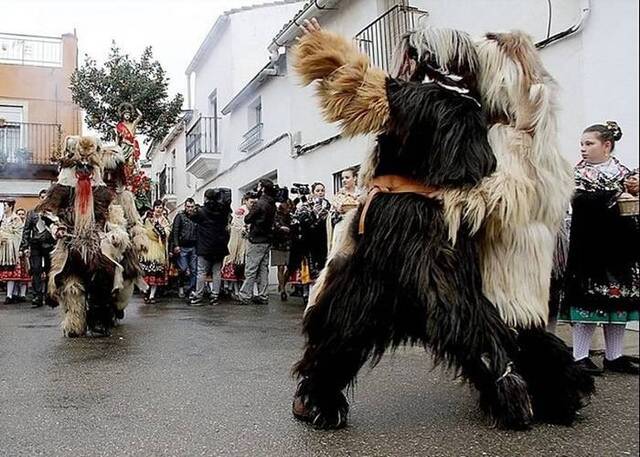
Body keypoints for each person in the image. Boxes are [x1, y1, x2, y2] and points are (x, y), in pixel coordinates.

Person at [289, 18, 591, 431]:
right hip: (437, 230)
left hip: (400, 226)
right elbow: (476, 175)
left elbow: (354, 93)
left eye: (408, 57)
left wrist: (324, 46)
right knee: (460, 315)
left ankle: (318, 393)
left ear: (422, 63)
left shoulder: (424, 99)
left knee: (350, 313)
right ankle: (510, 389)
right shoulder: (476, 116)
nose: (401, 63)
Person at [561, 121, 639, 375]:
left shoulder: (623, 173)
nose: (583, 149)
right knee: (587, 299)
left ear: (607, 145)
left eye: (589, 143)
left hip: (620, 247)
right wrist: (613, 197)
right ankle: (579, 356)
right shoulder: (577, 175)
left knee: (618, 300)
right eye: (582, 144)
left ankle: (614, 356)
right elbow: (579, 202)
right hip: (589, 247)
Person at [189, 188, 232, 306]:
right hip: (220, 245)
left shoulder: (202, 212)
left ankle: (198, 296)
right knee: (217, 272)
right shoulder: (223, 210)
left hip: (205, 246)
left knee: (201, 272)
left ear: (205, 198)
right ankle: (215, 296)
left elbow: (191, 217)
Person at [238, 179, 276, 305]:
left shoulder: (259, 204)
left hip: (256, 239)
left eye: (259, 186)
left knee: (251, 269)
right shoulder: (272, 204)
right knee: (263, 269)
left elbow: (248, 219)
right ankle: (263, 295)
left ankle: (245, 295)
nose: (257, 188)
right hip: (267, 239)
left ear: (263, 188)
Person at [221, 193, 255, 296]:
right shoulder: (240, 211)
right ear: (246, 201)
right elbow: (236, 227)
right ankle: (236, 290)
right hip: (240, 244)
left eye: (254, 202)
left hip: (248, 243)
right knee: (237, 267)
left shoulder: (253, 211)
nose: (253, 204)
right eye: (251, 202)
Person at [140, 200, 171, 304]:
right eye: (157, 207)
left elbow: (166, 233)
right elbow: (140, 227)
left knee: (155, 272)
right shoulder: (147, 218)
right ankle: (145, 292)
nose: (159, 210)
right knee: (146, 272)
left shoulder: (164, 220)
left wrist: (159, 228)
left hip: (158, 248)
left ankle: (152, 295)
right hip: (147, 248)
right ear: (154, 208)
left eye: (161, 208)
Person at [0, 200, 28, 303]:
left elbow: (19, 234)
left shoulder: (16, 219)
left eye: (6, 206)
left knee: (13, 272)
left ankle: (11, 295)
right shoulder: (3, 218)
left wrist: (18, 247)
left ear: (11, 206)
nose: (4, 208)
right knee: (8, 272)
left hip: (13, 248)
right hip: (4, 249)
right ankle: (12, 294)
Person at [328, 168, 360, 254]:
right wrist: (337, 209)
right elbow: (332, 212)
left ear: (355, 178)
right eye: (342, 178)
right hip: (341, 227)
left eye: (347, 177)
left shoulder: (361, 193)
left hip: (357, 225)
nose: (344, 180)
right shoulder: (339, 195)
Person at [171, 198, 198, 299]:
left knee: (194, 270)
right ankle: (181, 286)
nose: (190, 209)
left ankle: (191, 289)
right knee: (183, 268)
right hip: (182, 246)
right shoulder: (180, 216)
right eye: (188, 207)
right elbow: (175, 231)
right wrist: (176, 245)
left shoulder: (197, 217)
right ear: (185, 207)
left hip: (193, 246)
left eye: (192, 207)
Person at [271, 199, 293, 301]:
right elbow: (274, 226)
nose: (287, 207)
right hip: (278, 243)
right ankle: (283, 290)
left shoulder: (292, 214)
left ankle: (282, 284)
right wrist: (280, 228)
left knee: (290, 267)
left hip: (289, 243)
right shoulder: (276, 214)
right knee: (280, 267)